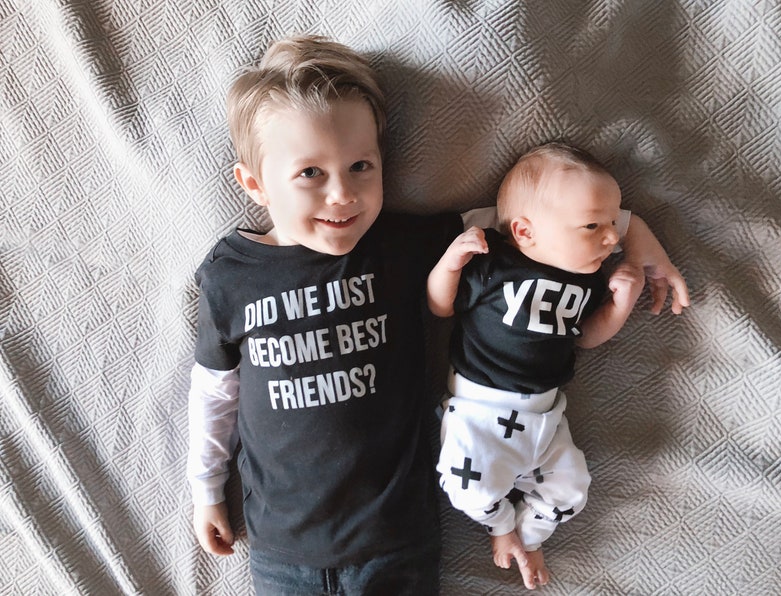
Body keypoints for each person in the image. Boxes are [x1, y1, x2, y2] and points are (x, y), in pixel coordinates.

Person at [187, 35, 690, 595]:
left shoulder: (401, 244)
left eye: (361, 166)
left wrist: (635, 235)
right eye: (310, 174)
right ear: (254, 185)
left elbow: (531, 218)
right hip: (283, 545)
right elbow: (216, 390)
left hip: (395, 536)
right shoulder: (232, 274)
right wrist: (206, 487)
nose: (342, 195)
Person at [428, 142, 687, 591]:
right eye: (593, 226)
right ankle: (501, 527)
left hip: (547, 418)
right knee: (465, 484)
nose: (611, 238)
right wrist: (450, 263)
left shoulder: (587, 279)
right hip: (481, 414)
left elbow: (586, 337)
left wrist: (621, 305)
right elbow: (440, 306)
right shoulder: (494, 264)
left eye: (611, 223)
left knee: (572, 490)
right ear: (526, 231)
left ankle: (528, 537)